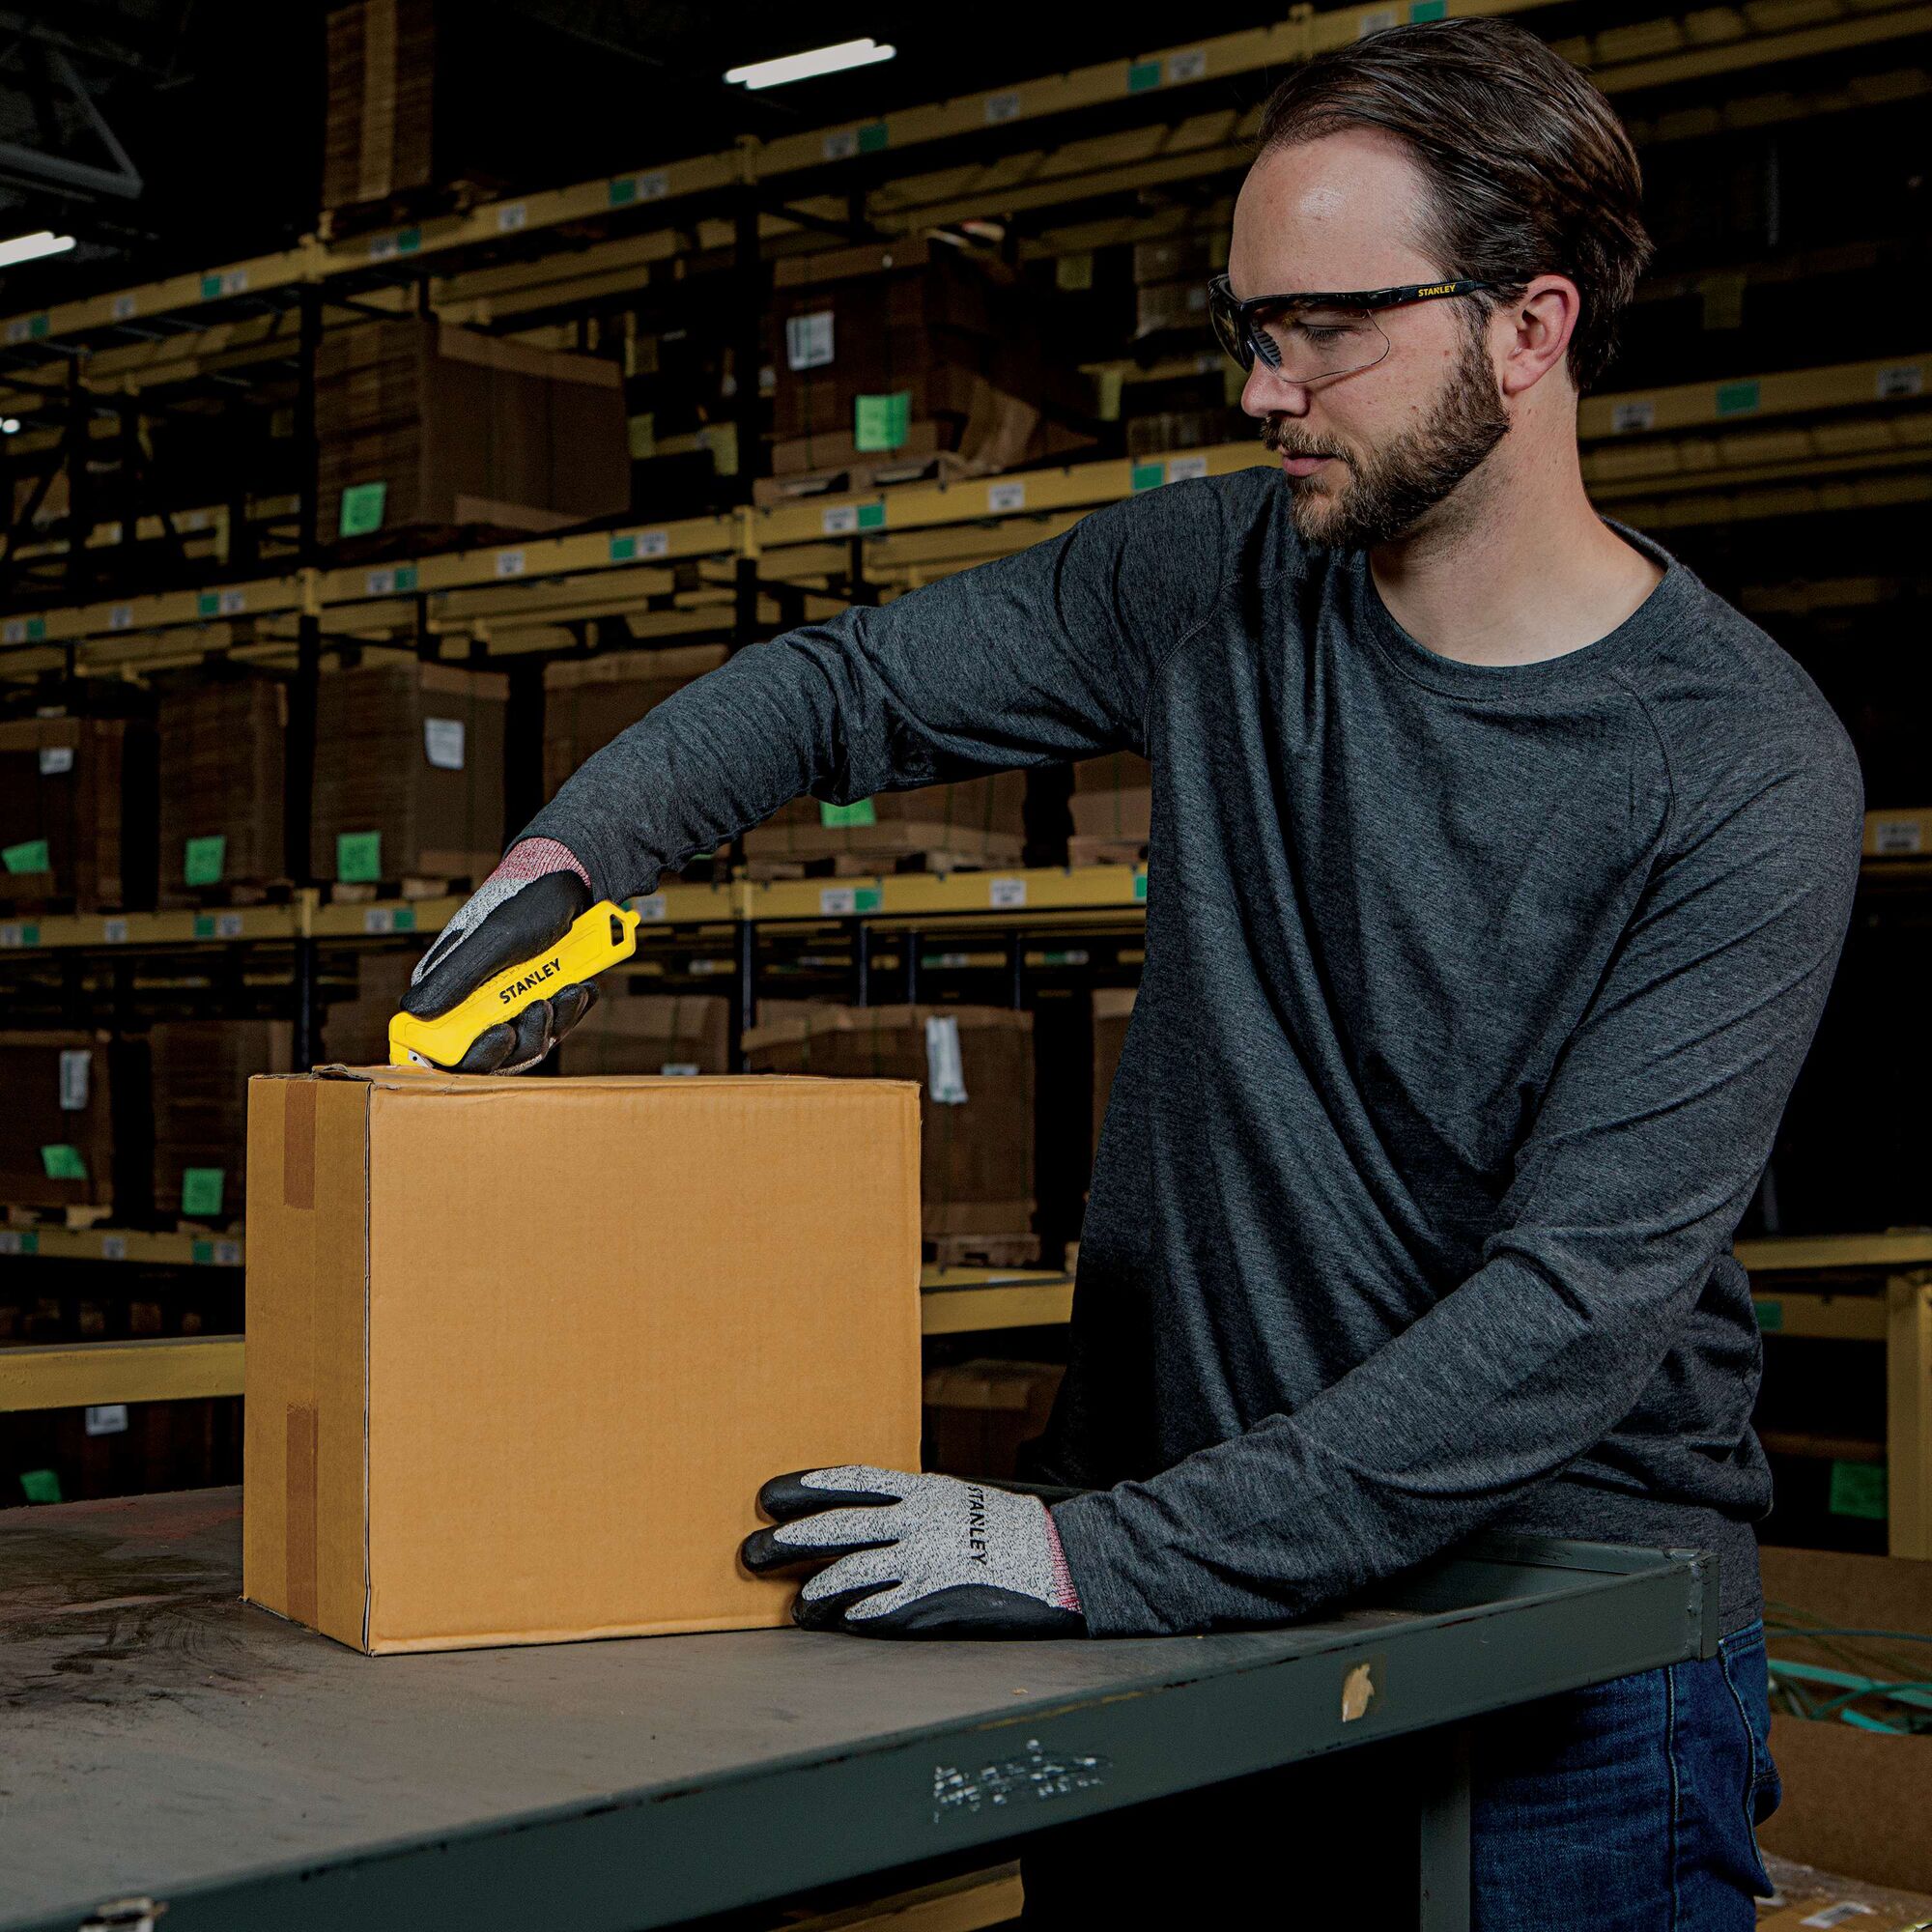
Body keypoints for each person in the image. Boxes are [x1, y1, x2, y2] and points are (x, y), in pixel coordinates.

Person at [402, 19, 1861, 1924]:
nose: (1265, 389)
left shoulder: (1740, 766)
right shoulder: (1211, 584)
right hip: (1166, 1597)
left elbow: (1567, 1317)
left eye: (1325, 328)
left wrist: (1080, 1557)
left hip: (1551, 1640)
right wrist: (574, 855)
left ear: (1530, 326)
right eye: (1248, 330)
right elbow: (839, 688)